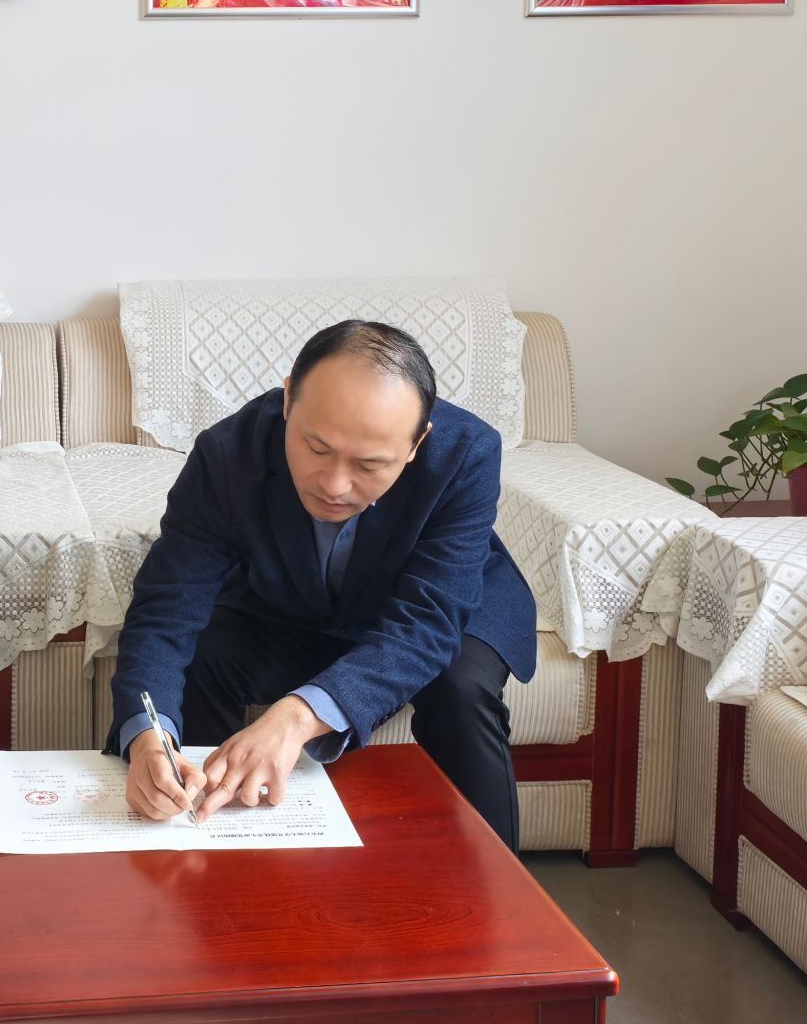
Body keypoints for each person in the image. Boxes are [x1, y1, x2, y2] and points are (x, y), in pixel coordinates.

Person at [107, 320, 537, 848]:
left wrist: (297, 717)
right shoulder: (228, 454)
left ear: (418, 442)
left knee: (459, 685)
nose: (334, 485)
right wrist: (148, 736)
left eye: (370, 465)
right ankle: (194, 822)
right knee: (205, 650)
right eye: (315, 447)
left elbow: (427, 623)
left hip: (443, 605)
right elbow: (167, 607)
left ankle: (494, 878)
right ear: (289, 400)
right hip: (297, 603)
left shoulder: (465, 452)